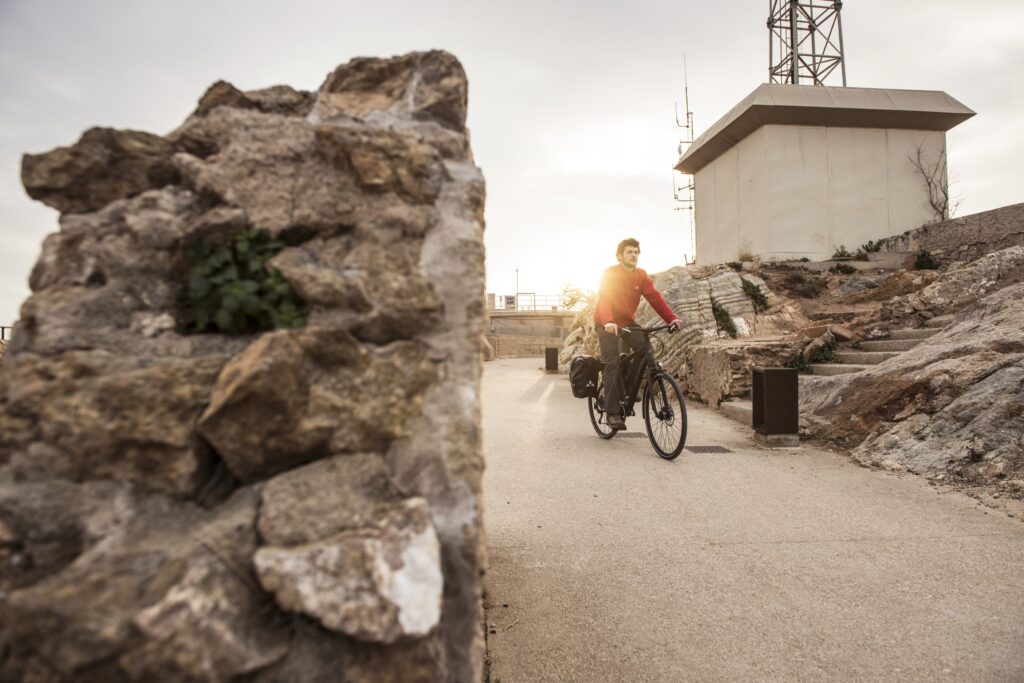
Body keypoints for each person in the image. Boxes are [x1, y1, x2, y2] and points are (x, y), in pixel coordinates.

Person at [593, 238, 682, 430]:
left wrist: (671, 319)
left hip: (626, 321)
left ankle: (624, 388)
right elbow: (605, 298)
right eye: (629, 252)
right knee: (612, 362)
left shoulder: (641, 275)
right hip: (605, 321)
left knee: (644, 348)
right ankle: (612, 412)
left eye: (636, 252)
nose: (634, 255)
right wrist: (608, 321)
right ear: (620, 256)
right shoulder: (610, 273)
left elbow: (654, 297)